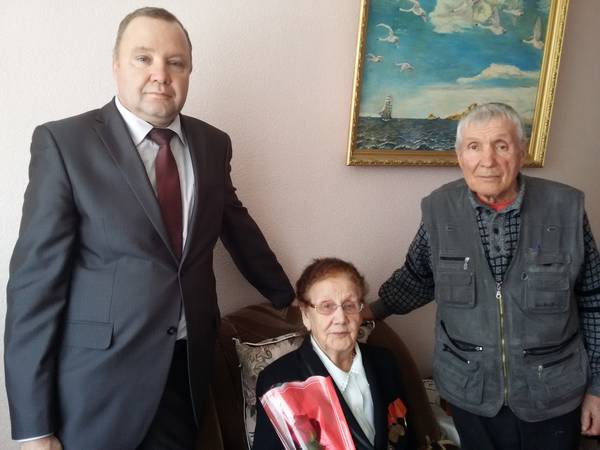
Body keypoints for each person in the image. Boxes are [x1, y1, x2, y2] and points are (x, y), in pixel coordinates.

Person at [5, 7, 294, 450]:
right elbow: (34, 289)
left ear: (189, 72)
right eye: (144, 58)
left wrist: (289, 296)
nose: (161, 74)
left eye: (176, 62)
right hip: (96, 386)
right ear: (116, 65)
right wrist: (34, 429)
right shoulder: (65, 144)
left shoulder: (213, 144)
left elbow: (237, 227)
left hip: (185, 374)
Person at [366, 102, 600, 449]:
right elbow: (417, 279)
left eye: (501, 146)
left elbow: (594, 300)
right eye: (474, 146)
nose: (487, 160)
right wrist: (368, 311)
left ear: (521, 152)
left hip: (553, 392)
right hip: (470, 390)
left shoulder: (565, 209)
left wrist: (597, 388)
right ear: (460, 156)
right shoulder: (438, 210)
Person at [253, 258, 417, 450]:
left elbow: (406, 437)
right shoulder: (277, 382)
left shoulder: (385, 361)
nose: (340, 318)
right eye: (326, 306)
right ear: (306, 316)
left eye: (349, 305)